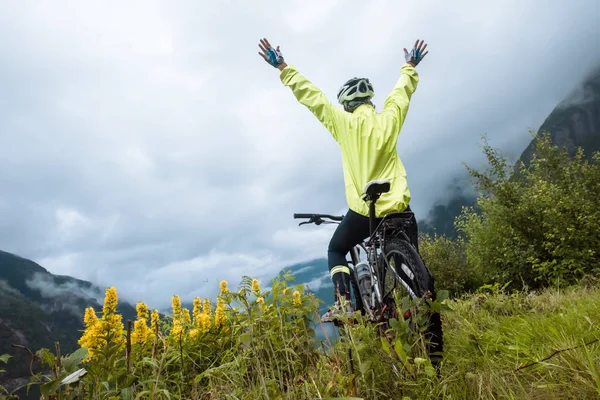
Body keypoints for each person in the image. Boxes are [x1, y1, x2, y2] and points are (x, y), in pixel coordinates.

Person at [258, 37, 428, 322]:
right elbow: (402, 92)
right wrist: (410, 64)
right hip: (400, 208)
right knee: (412, 265)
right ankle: (421, 294)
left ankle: (344, 302)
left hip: (366, 212)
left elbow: (313, 98)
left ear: (347, 104)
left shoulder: (343, 123)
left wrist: (283, 67)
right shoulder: (389, 118)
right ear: (370, 101)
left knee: (336, 248)